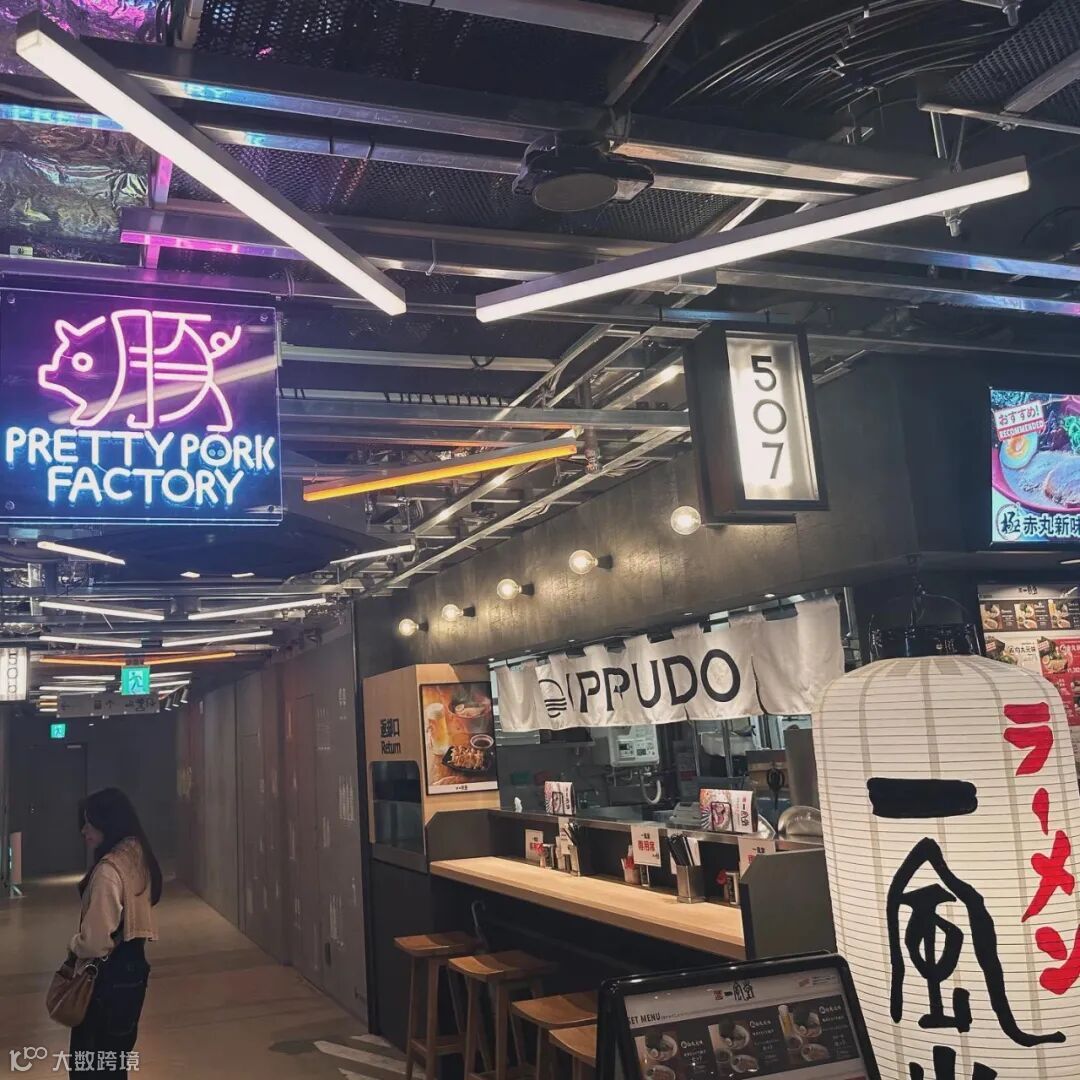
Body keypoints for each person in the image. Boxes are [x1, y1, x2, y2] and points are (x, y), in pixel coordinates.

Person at [67, 788, 162, 1079]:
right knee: (115, 1063)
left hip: (104, 982)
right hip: (133, 974)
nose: (84, 831)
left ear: (108, 823)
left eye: (90, 823)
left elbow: (95, 942)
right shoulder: (136, 856)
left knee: (90, 1066)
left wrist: (74, 945)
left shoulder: (108, 870)